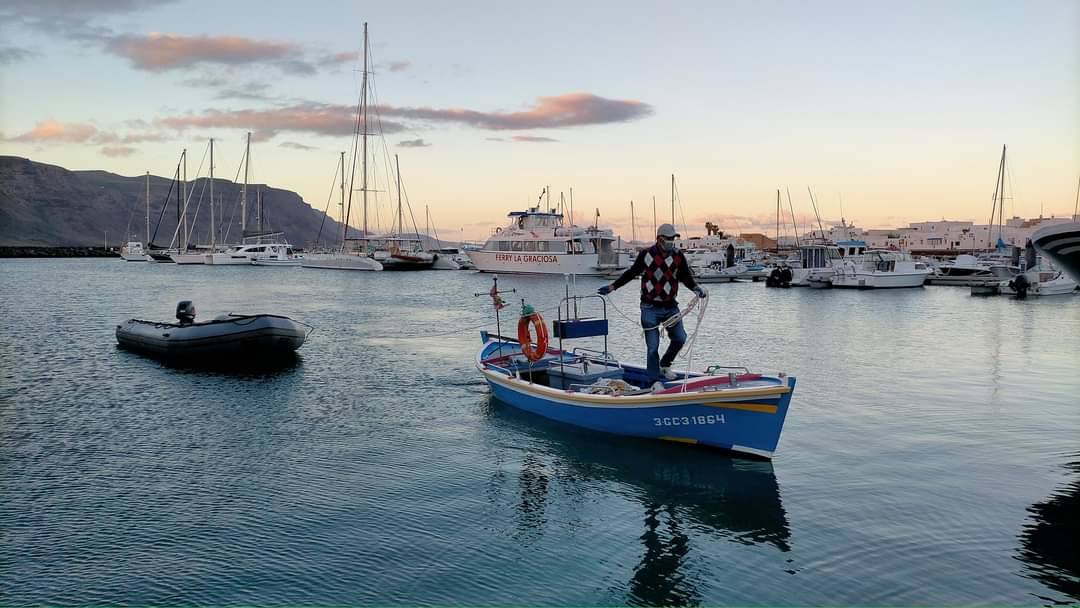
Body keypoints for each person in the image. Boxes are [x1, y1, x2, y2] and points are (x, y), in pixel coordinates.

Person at [597, 223, 707, 389]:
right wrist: (613, 287)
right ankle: (654, 381)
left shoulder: (678, 256)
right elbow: (631, 273)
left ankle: (665, 364)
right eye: (668, 239)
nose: (671, 242)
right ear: (659, 239)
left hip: (671, 307)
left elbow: (686, 277)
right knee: (652, 347)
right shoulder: (646, 255)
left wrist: (696, 289)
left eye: (673, 239)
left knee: (680, 338)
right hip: (649, 308)